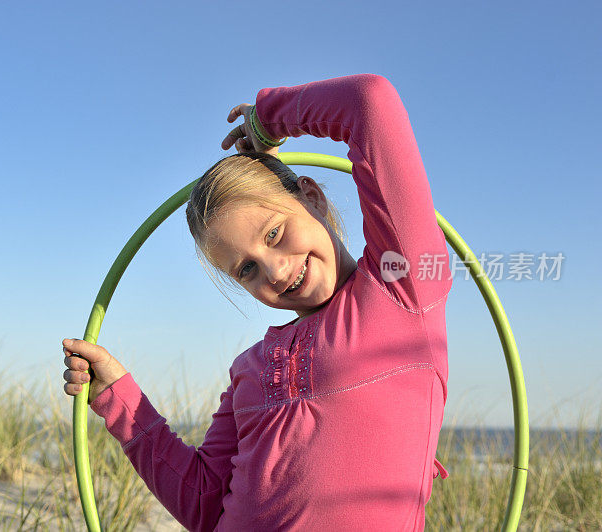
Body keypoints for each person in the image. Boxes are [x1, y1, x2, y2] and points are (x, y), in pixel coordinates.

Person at [63, 73, 452, 531]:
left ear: (312, 197)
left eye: (274, 234)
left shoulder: (399, 288)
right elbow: (205, 505)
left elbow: (369, 102)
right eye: (246, 269)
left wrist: (269, 119)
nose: (275, 271)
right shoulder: (249, 368)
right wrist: (119, 399)